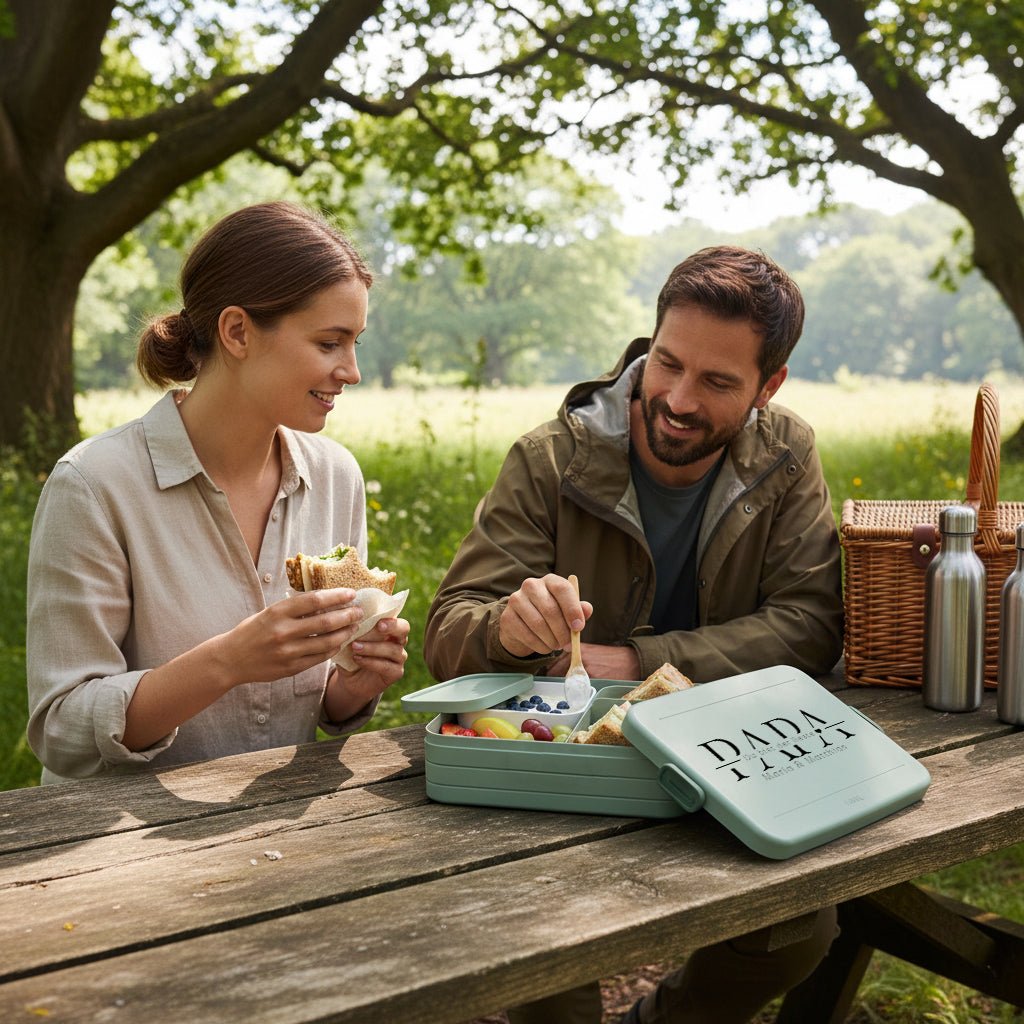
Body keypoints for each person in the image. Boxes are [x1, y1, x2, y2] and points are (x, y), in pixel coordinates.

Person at [423, 245, 843, 1023]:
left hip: (728, 766)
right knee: (542, 950)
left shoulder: (787, 456)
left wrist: (638, 660)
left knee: (796, 926)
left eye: (718, 382)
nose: (678, 400)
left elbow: (811, 623)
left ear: (768, 386)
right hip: (558, 779)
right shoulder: (549, 460)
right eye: (667, 364)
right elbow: (450, 628)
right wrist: (509, 634)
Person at [27, 201, 410, 785]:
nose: (352, 371)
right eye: (330, 343)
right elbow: (63, 729)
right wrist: (227, 662)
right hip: (114, 849)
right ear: (237, 332)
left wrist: (352, 685)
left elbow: (316, 698)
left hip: (282, 836)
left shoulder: (337, 476)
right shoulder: (93, 485)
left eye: (355, 342)